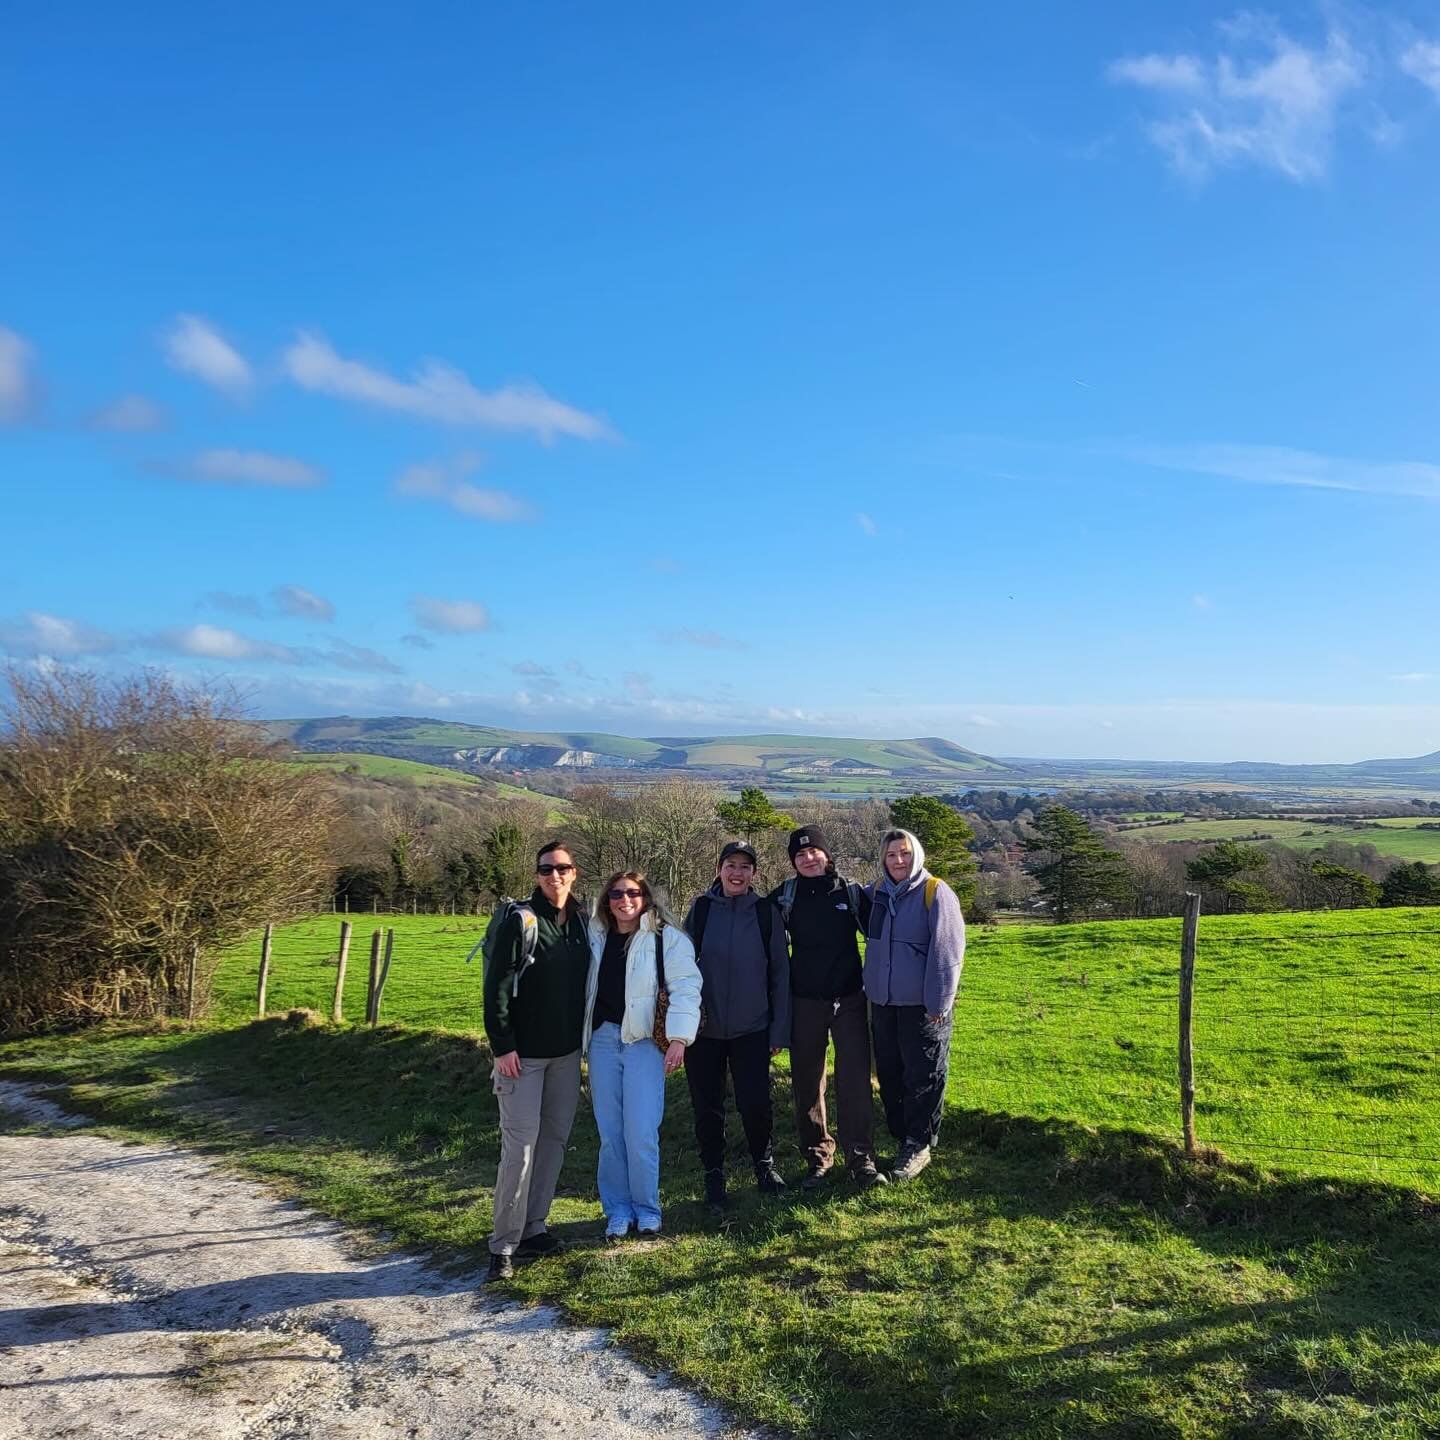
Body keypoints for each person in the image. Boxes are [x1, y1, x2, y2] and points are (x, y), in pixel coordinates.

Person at [482, 841, 591, 1281]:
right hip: (521, 1058)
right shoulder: (520, 921)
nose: (555, 875)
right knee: (520, 1149)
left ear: (574, 872)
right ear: (537, 874)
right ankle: (503, 1245)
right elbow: (497, 989)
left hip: (566, 1055)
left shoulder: (582, 922)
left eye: (562, 868)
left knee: (553, 1143)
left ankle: (534, 1228)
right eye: (547, 869)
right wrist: (502, 1046)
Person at [583, 869, 702, 1240]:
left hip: (644, 1044)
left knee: (641, 1133)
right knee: (610, 1134)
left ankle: (648, 1210)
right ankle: (617, 1211)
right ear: (606, 900)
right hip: (602, 1041)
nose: (624, 900)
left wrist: (680, 1038)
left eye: (632, 893)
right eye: (616, 893)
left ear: (646, 897)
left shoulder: (668, 939)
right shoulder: (594, 937)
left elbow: (686, 987)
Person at [771, 824, 886, 1190]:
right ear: (793, 862)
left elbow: (884, 934)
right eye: (799, 855)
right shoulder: (784, 898)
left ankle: (860, 1158)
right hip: (804, 1003)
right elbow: (753, 929)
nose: (808, 858)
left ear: (826, 854)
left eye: (813, 852)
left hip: (850, 999)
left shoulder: (850, 893)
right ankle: (818, 1158)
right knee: (807, 1084)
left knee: (854, 1081)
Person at [683, 840, 791, 1207]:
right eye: (731, 864)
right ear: (719, 869)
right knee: (707, 1106)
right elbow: (681, 968)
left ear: (754, 874)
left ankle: (764, 1164)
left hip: (753, 1028)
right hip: (704, 1030)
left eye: (745, 866)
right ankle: (714, 1173)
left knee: (755, 1103)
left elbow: (780, 974)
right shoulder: (700, 910)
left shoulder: (765, 912)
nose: (737, 872)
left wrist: (778, 1030)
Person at [863, 827, 966, 1182]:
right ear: (883, 858)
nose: (898, 860)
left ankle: (919, 1144)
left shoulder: (935, 893)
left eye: (905, 853)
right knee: (890, 1073)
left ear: (917, 855)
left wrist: (940, 1002)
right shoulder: (875, 893)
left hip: (923, 1006)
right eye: (891, 854)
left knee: (923, 1075)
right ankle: (901, 1135)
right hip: (883, 1002)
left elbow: (948, 952)